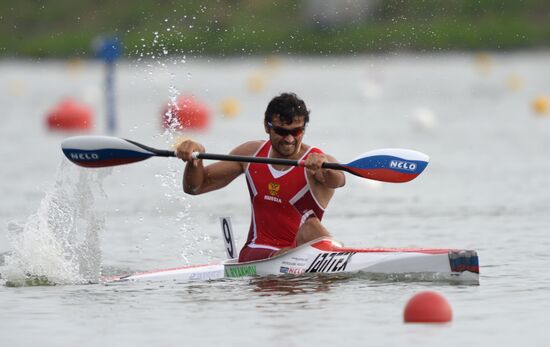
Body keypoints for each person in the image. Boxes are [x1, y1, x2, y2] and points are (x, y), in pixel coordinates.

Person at [176, 92, 345, 262]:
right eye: (281, 131)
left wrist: (325, 170)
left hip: (298, 254)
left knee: (311, 227)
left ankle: (340, 259)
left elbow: (339, 180)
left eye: (296, 131)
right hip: (257, 252)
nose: (289, 139)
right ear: (266, 126)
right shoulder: (251, 153)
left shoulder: (317, 161)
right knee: (291, 251)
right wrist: (195, 159)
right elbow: (195, 187)